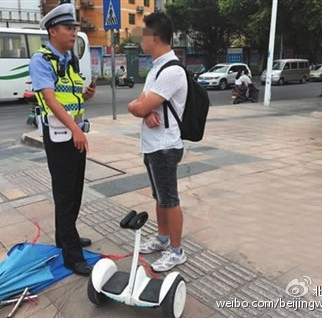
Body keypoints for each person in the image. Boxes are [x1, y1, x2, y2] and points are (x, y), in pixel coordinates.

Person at [29, 4, 96, 276]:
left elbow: (70, 95)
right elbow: (50, 99)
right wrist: (75, 130)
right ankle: (71, 254)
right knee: (65, 193)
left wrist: (86, 95)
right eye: (68, 29)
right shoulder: (41, 60)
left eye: (74, 29)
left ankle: (65, 236)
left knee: (75, 190)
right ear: (53, 31)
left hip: (74, 133)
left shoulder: (71, 60)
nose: (73, 33)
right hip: (59, 137)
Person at [127, 11, 188, 272]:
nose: (141, 38)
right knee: (160, 197)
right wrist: (141, 107)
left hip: (165, 146)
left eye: (144, 33)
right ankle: (163, 239)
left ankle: (177, 251)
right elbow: (139, 104)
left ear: (155, 37)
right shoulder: (156, 69)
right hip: (153, 146)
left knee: (170, 200)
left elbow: (140, 107)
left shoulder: (171, 70)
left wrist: (141, 108)